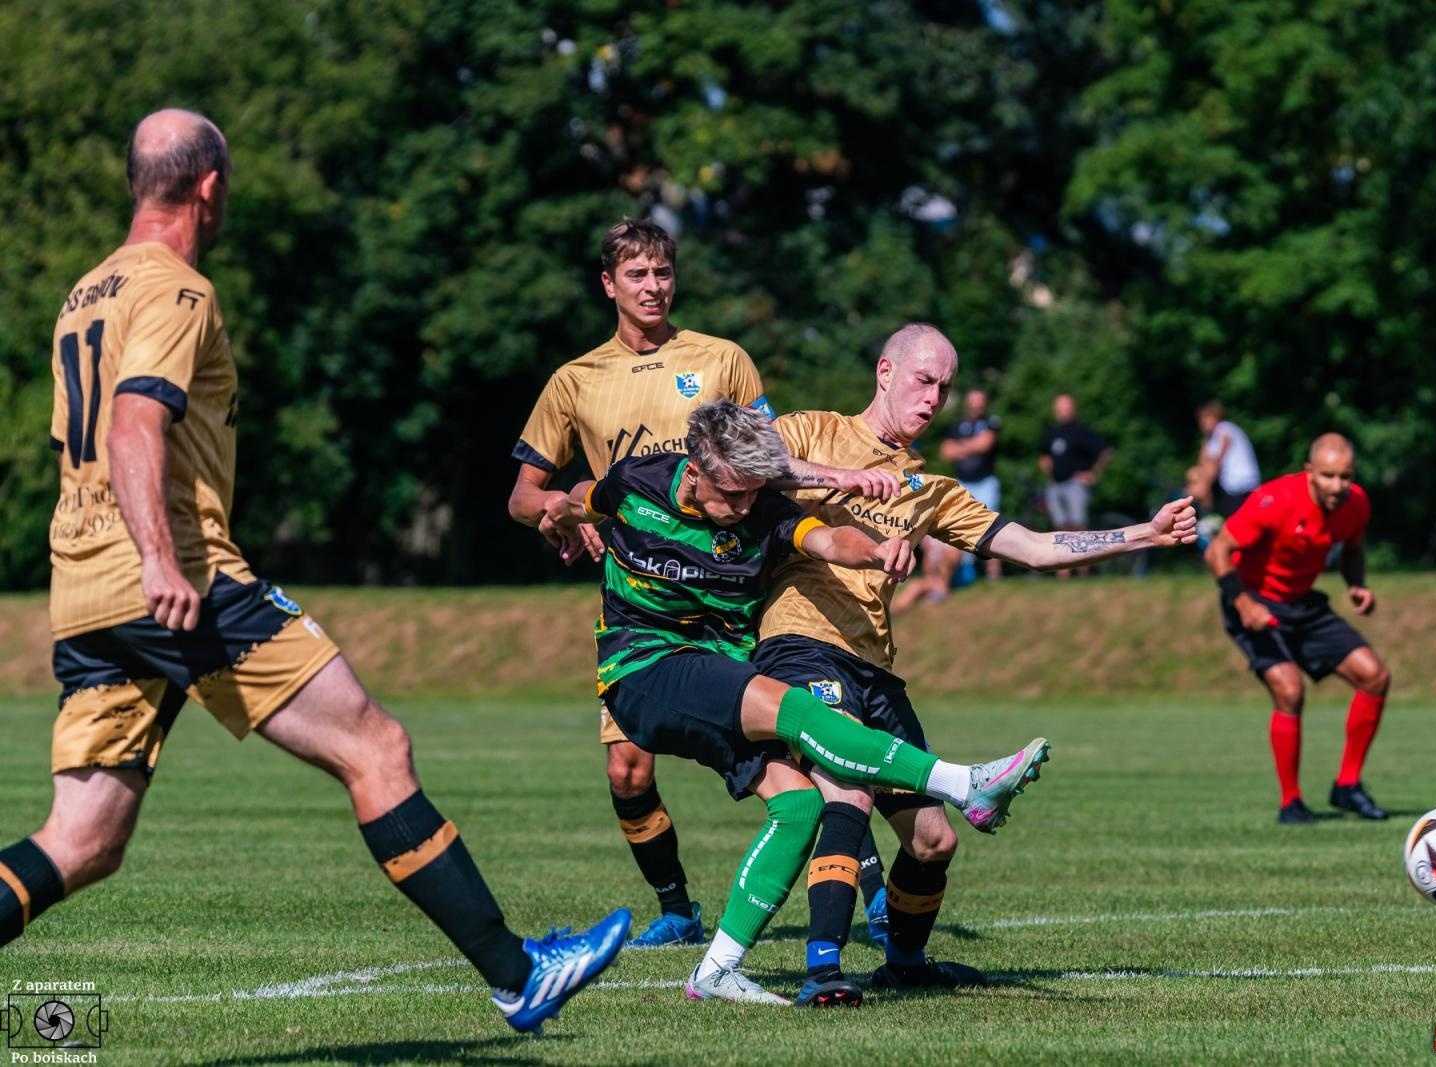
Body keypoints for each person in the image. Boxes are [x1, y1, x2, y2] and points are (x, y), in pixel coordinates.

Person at [0, 109, 629, 1035]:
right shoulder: (178, 290)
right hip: (175, 578)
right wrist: (161, 558)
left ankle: (515, 969)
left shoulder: (82, 293)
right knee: (375, 747)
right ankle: (516, 972)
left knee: (81, 838)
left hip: (82, 586)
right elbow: (134, 422)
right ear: (210, 186)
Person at [543, 400, 1054, 1005]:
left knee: (800, 806)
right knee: (800, 711)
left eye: (752, 494)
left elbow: (832, 539)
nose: (741, 508)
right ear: (696, 467)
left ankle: (716, 971)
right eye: (730, 494)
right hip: (645, 662)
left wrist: (878, 549)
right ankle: (966, 785)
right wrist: (561, 517)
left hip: (721, 666)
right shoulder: (637, 480)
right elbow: (580, 497)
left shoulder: (765, 508)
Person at [756, 324, 1197, 1006]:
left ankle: (903, 962)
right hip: (798, 642)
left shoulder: (930, 490)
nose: (935, 397)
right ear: (884, 371)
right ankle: (822, 968)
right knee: (847, 789)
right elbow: (744, 467)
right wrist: (841, 483)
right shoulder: (811, 430)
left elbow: (1035, 546)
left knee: (932, 841)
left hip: (874, 663)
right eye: (923, 380)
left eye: (945, 387)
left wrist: (1146, 532)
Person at [506, 218, 895, 949]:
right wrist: (565, 514)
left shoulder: (722, 361)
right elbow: (525, 495)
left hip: (730, 591)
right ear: (608, 285)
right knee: (627, 769)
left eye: (662, 273)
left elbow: (769, 461)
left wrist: (840, 485)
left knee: (805, 742)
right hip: (644, 599)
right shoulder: (575, 381)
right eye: (637, 275)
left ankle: (867, 896)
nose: (653, 287)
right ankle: (677, 907)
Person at [1204, 434, 1392, 826]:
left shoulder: (1355, 503)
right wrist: (1244, 604)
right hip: (1253, 601)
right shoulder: (1274, 501)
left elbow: (1353, 548)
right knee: (1289, 689)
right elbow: (1216, 551)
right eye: (1328, 476)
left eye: (1345, 476)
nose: (1338, 486)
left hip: (1303, 603)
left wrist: (1356, 583)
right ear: (1310, 473)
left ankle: (1348, 786)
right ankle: (1291, 803)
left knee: (1374, 676)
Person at [1038, 394, 1113, 576]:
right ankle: (1063, 572)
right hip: (1056, 485)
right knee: (1060, 528)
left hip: (1075, 484)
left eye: (1066, 406)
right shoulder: (1051, 433)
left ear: (1073, 408)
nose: (1062, 411)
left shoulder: (1082, 432)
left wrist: (1094, 473)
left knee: (1078, 526)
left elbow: (1106, 451)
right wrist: (1049, 473)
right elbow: (1043, 455)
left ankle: (1083, 570)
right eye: (1059, 407)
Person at [939, 388, 1003, 580]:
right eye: (973, 400)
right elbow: (945, 452)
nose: (977, 405)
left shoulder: (992, 422)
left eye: (980, 400)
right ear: (967, 402)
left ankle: (994, 574)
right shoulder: (957, 425)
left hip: (985, 482)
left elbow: (985, 444)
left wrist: (961, 447)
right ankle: (965, 572)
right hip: (963, 481)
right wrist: (972, 446)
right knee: (959, 526)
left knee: (991, 526)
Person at [1193, 400, 1261, 518]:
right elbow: (1203, 462)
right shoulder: (1212, 437)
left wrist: (1203, 485)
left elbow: (1216, 462)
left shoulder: (1224, 429)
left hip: (1241, 484)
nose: (1204, 422)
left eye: (1207, 418)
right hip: (1234, 485)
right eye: (1202, 419)